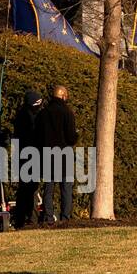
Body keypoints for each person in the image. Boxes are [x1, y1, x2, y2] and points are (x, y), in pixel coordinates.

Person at [38, 85, 79, 223]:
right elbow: (71, 137)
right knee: (66, 188)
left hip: (48, 153)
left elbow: (38, 135)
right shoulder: (67, 112)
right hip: (64, 154)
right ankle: (65, 217)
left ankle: (49, 217)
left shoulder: (43, 113)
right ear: (63, 96)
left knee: (49, 187)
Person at [12, 90, 43, 228]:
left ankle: (21, 218)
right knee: (31, 189)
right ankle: (31, 218)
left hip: (22, 156)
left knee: (24, 189)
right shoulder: (31, 118)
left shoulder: (21, 115)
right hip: (30, 156)